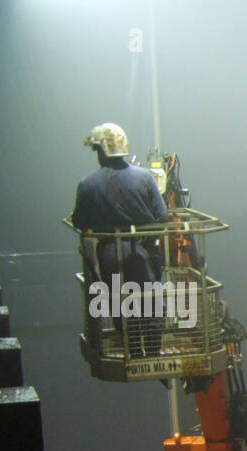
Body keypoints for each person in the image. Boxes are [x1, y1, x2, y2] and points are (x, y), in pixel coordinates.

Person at [72, 122, 167, 356]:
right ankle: (153, 349)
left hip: (109, 255)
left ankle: (133, 349)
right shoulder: (145, 178)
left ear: (102, 151)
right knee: (151, 299)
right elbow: (161, 215)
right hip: (141, 251)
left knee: (121, 302)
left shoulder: (87, 184)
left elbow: (79, 221)